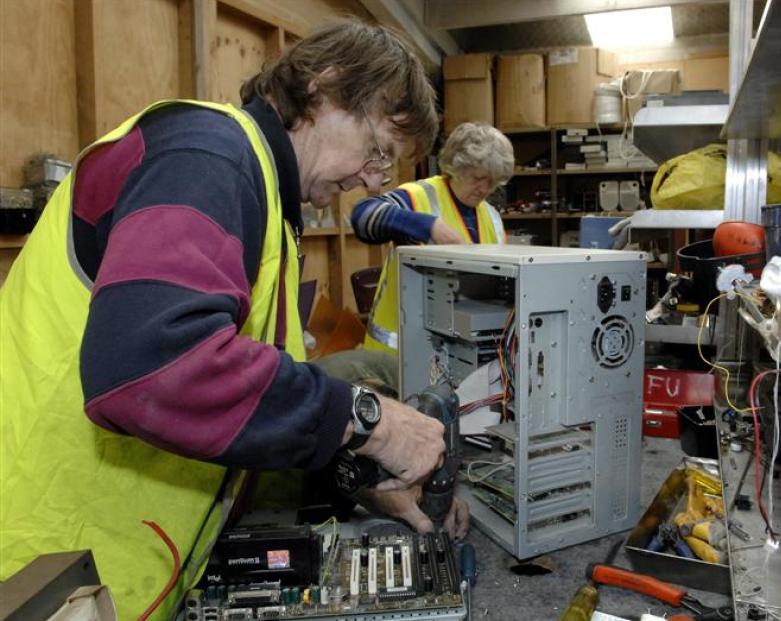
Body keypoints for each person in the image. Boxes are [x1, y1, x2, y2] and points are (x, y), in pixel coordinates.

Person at [0, 19, 466, 619]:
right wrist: (372, 421)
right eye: (378, 149)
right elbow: (153, 368)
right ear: (325, 88)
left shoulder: (268, 205)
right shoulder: (207, 153)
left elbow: (247, 402)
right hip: (42, 569)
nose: (370, 182)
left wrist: (352, 477)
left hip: (126, 567)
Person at [352, 122, 514, 355]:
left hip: (456, 354)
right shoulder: (419, 197)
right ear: (458, 166)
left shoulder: (491, 217)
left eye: (493, 181)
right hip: (396, 355)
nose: (485, 188)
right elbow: (363, 216)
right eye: (479, 177)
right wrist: (429, 226)